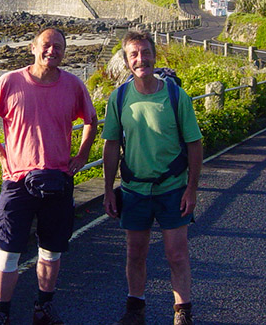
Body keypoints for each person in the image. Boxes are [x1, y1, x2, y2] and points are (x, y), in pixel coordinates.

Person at [0, 27, 99, 325]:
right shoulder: (10, 81)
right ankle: (1, 313)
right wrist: (2, 153)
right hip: (17, 182)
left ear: (64, 52)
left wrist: (81, 157)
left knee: (51, 251)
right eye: (46, 45)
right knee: (9, 250)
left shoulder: (73, 85)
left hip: (57, 180)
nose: (51, 50)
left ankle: (43, 306)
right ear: (33, 47)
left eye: (58, 46)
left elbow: (90, 121)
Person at [102, 30, 203, 325]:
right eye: (133, 54)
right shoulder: (119, 97)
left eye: (145, 53)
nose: (140, 59)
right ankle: (136, 308)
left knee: (176, 254)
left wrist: (192, 189)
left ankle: (182, 311)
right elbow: (111, 145)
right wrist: (109, 189)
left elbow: (194, 143)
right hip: (134, 190)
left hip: (172, 188)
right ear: (126, 60)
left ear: (155, 57)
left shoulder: (175, 95)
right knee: (135, 253)